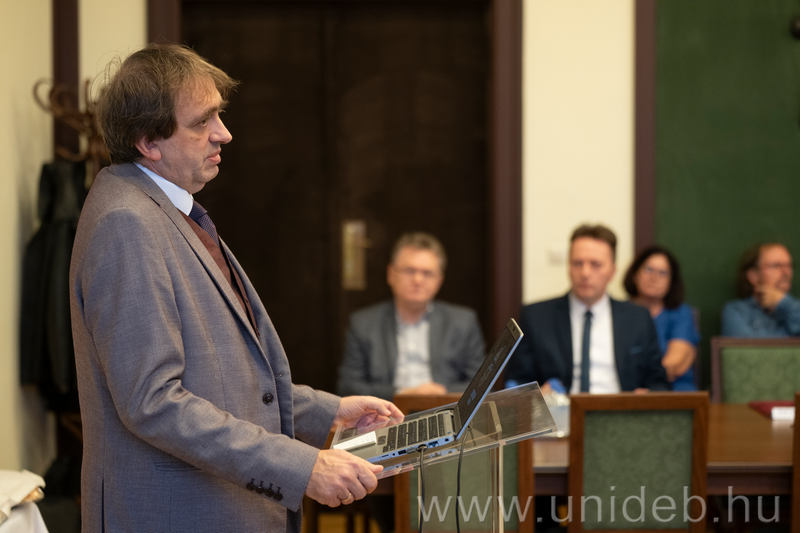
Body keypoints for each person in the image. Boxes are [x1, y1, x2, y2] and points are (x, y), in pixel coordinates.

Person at [69, 44, 402, 533]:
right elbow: (154, 402)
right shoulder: (127, 223)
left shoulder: (164, 206)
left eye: (218, 115)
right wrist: (301, 467)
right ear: (148, 142)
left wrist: (328, 413)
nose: (223, 133)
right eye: (202, 121)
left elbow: (220, 377)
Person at [505, 224, 668, 392]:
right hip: (561, 407)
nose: (585, 273)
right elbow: (515, 383)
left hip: (620, 406)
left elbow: (660, 384)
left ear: (612, 271)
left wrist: (647, 396)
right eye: (577, 263)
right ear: (568, 267)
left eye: (596, 264)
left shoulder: (638, 318)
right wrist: (536, 396)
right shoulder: (536, 317)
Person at [337, 232, 485, 401]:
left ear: (439, 280)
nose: (417, 280)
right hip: (385, 411)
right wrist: (401, 394)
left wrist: (442, 392)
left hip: (444, 409)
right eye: (409, 271)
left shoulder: (463, 322)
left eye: (427, 273)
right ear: (391, 274)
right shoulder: (362, 324)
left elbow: (483, 384)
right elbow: (348, 387)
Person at [624, 246, 700, 391]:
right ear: (635, 274)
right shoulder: (620, 312)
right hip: (629, 392)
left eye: (663, 273)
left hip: (674, 391)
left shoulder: (681, 313)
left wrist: (650, 387)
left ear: (671, 282)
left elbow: (675, 363)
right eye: (648, 269)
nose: (654, 277)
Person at [721, 243, 800, 337]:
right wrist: (792, 337)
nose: (786, 272)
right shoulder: (736, 311)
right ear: (753, 276)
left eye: (789, 266)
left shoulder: (796, 308)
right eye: (776, 265)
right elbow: (746, 344)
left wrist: (783, 303)